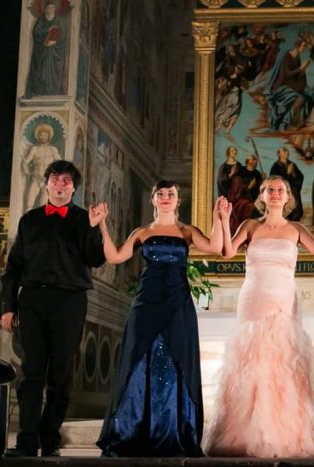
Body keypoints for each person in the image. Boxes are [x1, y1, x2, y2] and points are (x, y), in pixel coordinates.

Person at [202, 176, 314, 458]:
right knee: (252, 360)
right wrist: (223, 219)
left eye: (281, 190)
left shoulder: (296, 228)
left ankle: (286, 434)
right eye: (270, 190)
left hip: (284, 299)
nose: (276, 193)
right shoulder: (250, 226)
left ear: (289, 196)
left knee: (283, 360)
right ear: (262, 196)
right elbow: (228, 252)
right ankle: (245, 434)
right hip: (254, 297)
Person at [96, 181, 224, 457]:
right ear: (153, 200)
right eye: (161, 194)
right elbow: (115, 257)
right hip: (146, 302)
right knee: (141, 359)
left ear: (178, 201)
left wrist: (218, 217)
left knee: (176, 361)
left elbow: (215, 247)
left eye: (171, 194)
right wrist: (103, 225)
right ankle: (134, 430)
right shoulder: (142, 232)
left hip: (178, 303)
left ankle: (173, 431)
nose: (166, 198)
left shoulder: (187, 231)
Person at [1, 160, 106, 457]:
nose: (60, 184)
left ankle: (50, 441)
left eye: (66, 180)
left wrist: (94, 228)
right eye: (55, 179)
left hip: (70, 302)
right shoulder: (30, 220)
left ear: (74, 188)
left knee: (60, 377)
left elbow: (96, 259)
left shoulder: (85, 219)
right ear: (46, 184)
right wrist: (8, 307)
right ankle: (26, 442)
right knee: (31, 374)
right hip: (32, 301)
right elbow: (13, 268)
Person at [265, 38, 313, 131]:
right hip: (281, 87)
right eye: (304, 46)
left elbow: (297, 76)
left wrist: (303, 71)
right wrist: (301, 68)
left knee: (308, 97)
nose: (305, 48)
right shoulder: (286, 56)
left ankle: (295, 123)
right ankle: (284, 123)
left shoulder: (297, 58)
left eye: (306, 46)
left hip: (291, 86)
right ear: (297, 45)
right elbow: (286, 74)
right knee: (300, 98)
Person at [25, 1, 66, 98]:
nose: (50, 10)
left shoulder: (59, 20)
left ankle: (52, 89)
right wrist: (47, 30)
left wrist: (55, 42)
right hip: (41, 50)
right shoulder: (41, 19)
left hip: (54, 51)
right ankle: (40, 89)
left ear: (54, 9)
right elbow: (36, 32)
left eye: (52, 8)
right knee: (40, 69)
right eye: (48, 8)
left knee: (52, 69)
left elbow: (63, 36)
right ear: (45, 9)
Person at [23, 124, 62, 211]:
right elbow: (25, 161)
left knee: (43, 205)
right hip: (35, 179)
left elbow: (60, 163)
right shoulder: (35, 149)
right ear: (38, 136)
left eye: (45, 135)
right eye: (41, 135)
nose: (43, 137)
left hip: (47, 181)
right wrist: (26, 169)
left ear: (49, 136)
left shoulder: (53, 149)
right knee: (29, 203)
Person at [269, 147, 304, 221]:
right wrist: (287, 173)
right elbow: (274, 180)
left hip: (293, 191)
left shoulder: (292, 164)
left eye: (287, 151)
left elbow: (300, 176)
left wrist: (294, 174)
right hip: (282, 192)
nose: (287, 152)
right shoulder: (276, 166)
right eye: (284, 151)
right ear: (279, 154)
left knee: (297, 210)